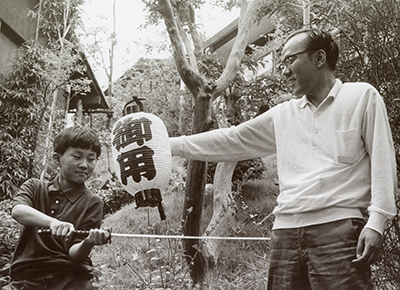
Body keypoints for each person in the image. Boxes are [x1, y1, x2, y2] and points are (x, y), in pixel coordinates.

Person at [169, 28, 397, 289]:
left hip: (339, 231)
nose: (283, 71)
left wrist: (377, 222)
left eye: (290, 60)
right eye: (281, 63)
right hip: (285, 234)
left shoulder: (361, 97)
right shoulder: (283, 114)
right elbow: (232, 139)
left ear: (319, 58)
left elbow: (383, 161)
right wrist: (168, 145)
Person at [3, 126, 110, 290]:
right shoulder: (34, 187)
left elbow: (75, 254)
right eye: (77, 156)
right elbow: (18, 211)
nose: (84, 165)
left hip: (69, 279)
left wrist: (88, 242)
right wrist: (52, 223)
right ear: (56, 158)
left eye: (91, 159)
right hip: (25, 279)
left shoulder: (93, 203)